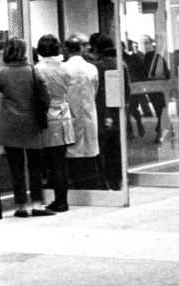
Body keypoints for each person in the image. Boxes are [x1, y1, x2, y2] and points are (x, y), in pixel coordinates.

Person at [0, 37, 51, 217]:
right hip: (32, 123)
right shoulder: (33, 72)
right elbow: (45, 97)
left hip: (10, 124)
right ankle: (37, 203)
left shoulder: (1, 73)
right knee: (35, 165)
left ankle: (21, 205)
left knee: (16, 167)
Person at [34, 34, 73, 212]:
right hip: (64, 113)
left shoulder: (38, 69)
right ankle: (62, 199)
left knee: (51, 163)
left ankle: (58, 200)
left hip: (48, 115)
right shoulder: (65, 68)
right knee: (61, 162)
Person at [63, 33, 101, 189]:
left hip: (69, 114)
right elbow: (95, 90)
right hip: (89, 114)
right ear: (80, 48)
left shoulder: (63, 69)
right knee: (89, 149)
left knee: (72, 150)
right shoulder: (91, 68)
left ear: (66, 49)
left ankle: (75, 183)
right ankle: (91, 183)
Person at [94, 36, 127, 191]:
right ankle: (118, 179)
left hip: (102, 112)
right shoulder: (121, 64)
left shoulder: (97, 66)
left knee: (103, 148)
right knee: (117, 147)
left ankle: (105, 179)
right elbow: (127, 91)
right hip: (118, 111)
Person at [140, 35, 171, 144]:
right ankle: (166, 129)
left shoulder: (152, 57)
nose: (146, 46)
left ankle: (161, 132)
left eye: (147, 43)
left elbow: (144, 73)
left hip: (154, 87)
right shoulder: (156, 57)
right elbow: (167, 74)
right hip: (158, 87)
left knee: (160, 110)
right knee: (161, 110)